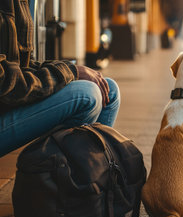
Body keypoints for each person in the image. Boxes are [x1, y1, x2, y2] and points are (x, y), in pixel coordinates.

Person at [0, 0, 120, 157]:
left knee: (108, 90)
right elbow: (7, 83)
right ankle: (67, 174)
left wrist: (72, 70)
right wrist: (70, 72)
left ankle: (91, 175)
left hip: (9, 103)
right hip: (6, 102)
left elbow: (23, 67)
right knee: (86, 95)